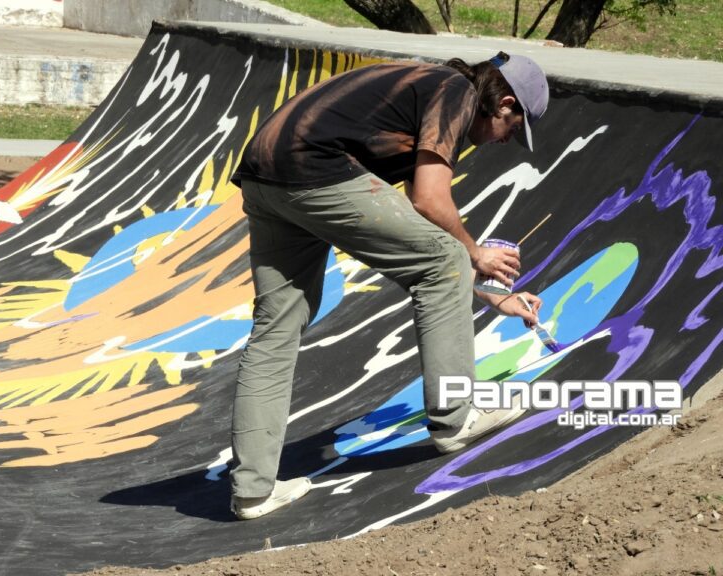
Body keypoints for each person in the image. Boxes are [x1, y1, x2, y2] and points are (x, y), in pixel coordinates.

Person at [228, 51, 549, 520]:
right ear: (502, 103)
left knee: (277, 324)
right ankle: (456, 418)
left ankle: (253, 490)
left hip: (265, 172)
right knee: (448, 257)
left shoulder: (418, 85)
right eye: (512, 130)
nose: (504, 142)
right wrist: (475, 255)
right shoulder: (455, 91)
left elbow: (405, 255)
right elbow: (428, 199)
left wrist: (488, 295)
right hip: (314, 167)